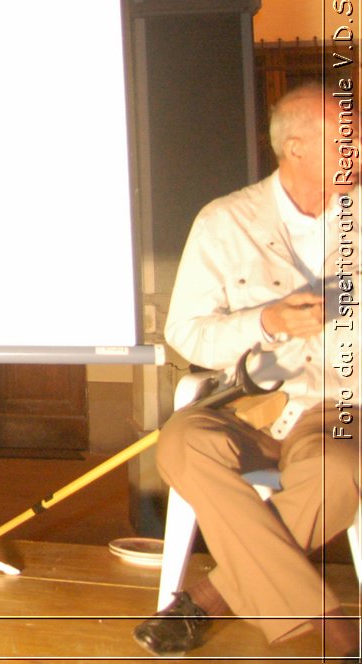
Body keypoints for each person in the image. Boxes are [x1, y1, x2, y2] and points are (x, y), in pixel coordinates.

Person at [134, 83, 360, 659]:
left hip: (339, 407)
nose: (359, 144)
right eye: (347, 136)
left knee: (342, 471)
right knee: (182, 442)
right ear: (296, 147)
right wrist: (267, 321)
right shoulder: (224, 222)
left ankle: (207, 602)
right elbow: (186, 334)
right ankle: (322, 615)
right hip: (251, 404)